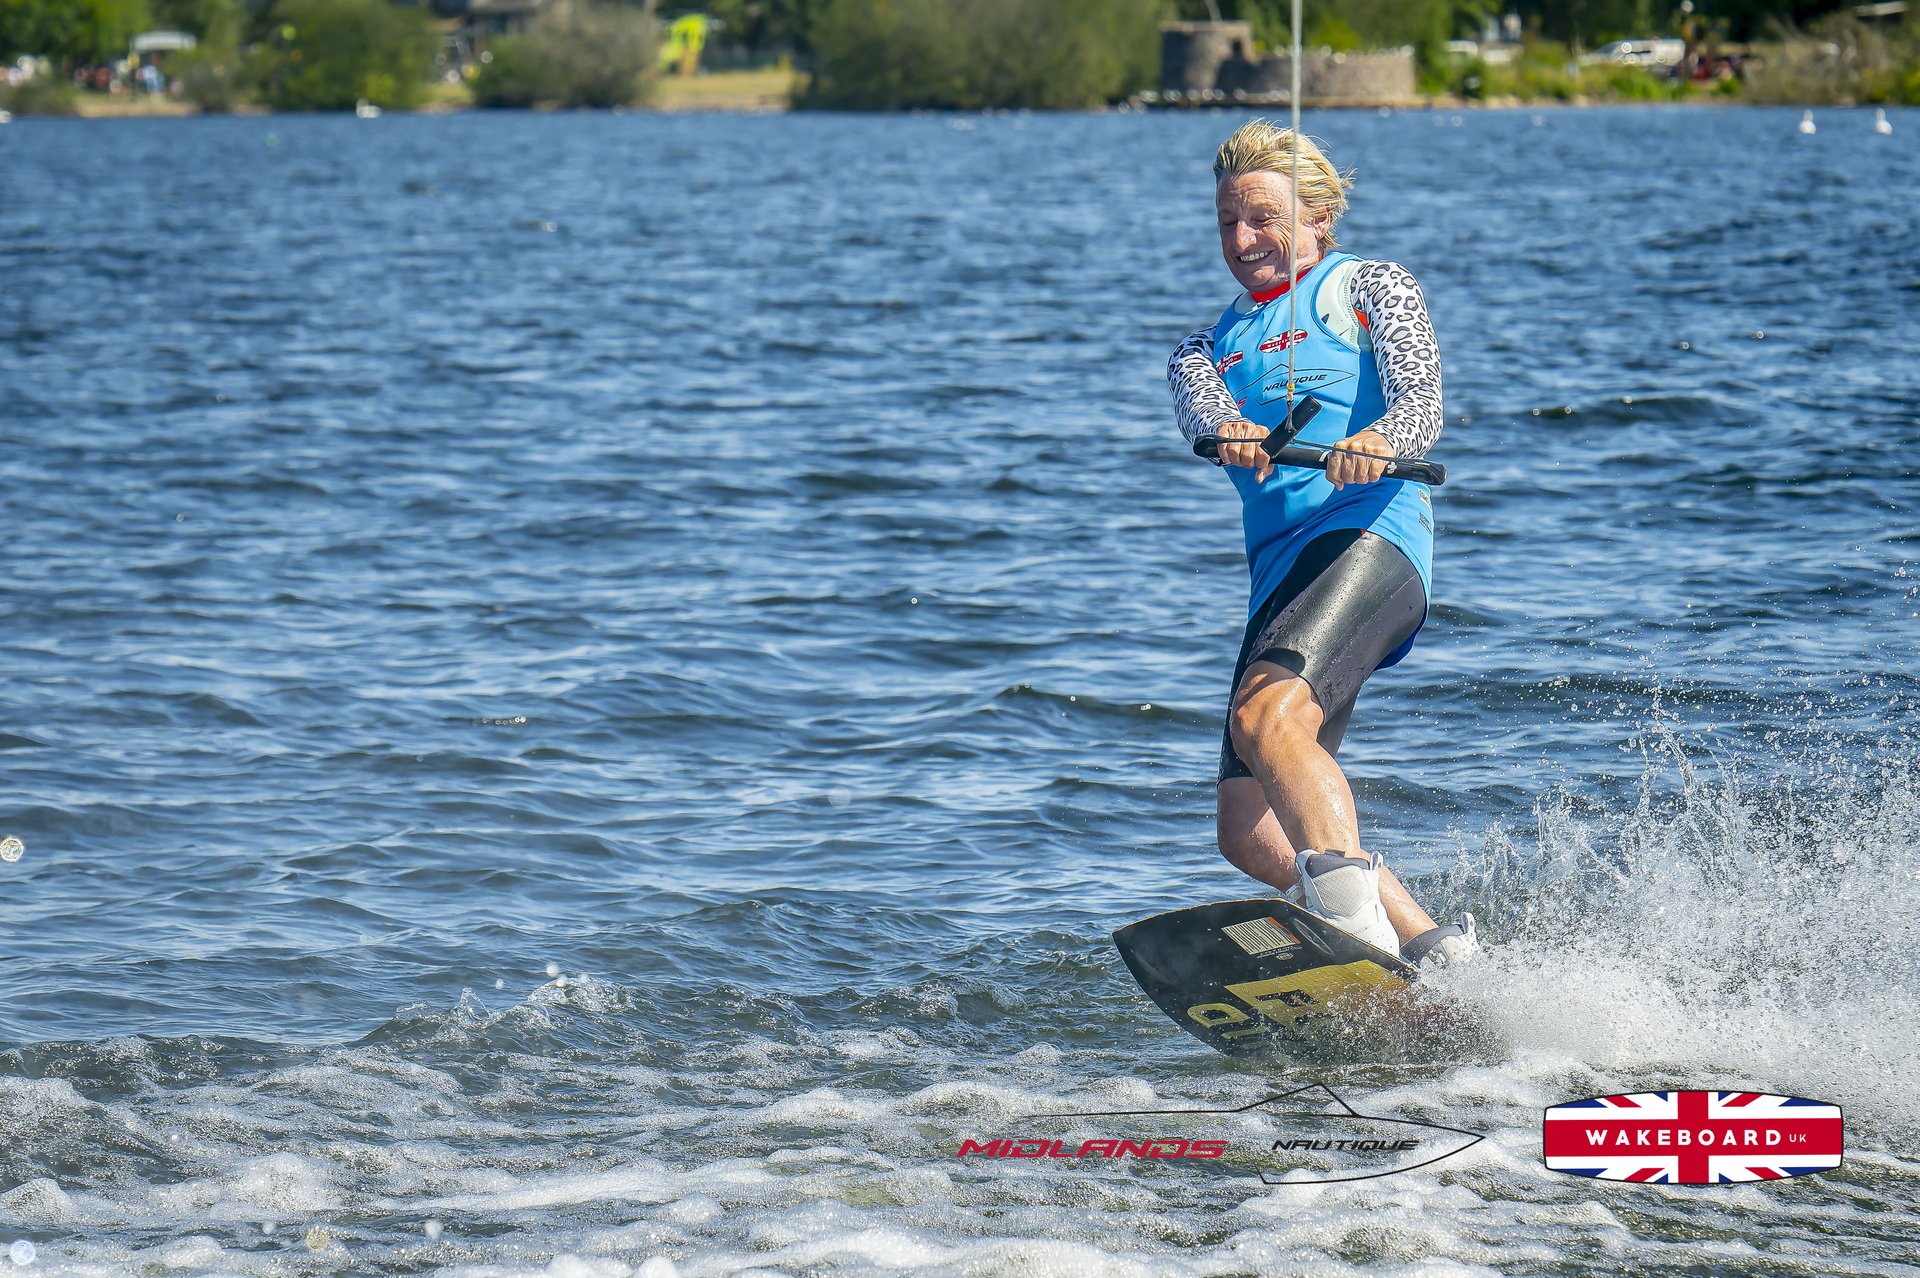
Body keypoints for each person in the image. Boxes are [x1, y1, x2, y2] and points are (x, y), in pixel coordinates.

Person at [1167, 119, 1475, 969]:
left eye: (1263, 217)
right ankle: (1432, 949)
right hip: (1285, 579)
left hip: (1370, 538)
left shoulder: (1373, 285)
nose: (1242, 239)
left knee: (1267, 716)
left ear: (1319, 219)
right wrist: (1229, 427)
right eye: (1228, 221)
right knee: (1248, 828)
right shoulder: (1200, 351)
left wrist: (1377, 440)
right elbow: (1201, 411)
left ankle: (1353, 929)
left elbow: (1421, 402)